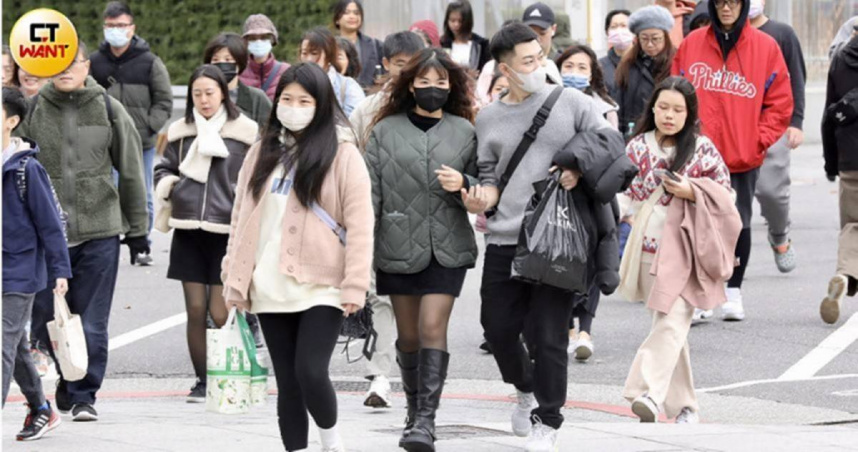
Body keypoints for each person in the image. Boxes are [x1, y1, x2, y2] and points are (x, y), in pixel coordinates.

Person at [472, 23, 623, 451]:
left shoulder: (571, 101)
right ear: (505, 69)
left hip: (559, 236)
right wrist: (479, 196)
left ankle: (548, 420)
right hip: (505, 238)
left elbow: (610, 141)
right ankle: (524, 387)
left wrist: (577, 165)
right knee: (497, 329)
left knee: (549, 334)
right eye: (528, 61)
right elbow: (489, 173)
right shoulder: (488, 117)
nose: (539, 65)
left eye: (540, 56)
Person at [221, 62, 373, 452]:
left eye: (304, 101)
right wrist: (233, 277)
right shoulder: (261, 152)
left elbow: (360, 225)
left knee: (310, 370)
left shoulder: (342, 155)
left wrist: (356, 284)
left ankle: (331, 442)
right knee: (288, 380)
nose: (294, 107)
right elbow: (241, 218)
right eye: (286, 99)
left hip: (323, 284)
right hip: (269, 283)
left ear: (321, 105)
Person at [17, 43, 149, 422]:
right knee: (47, 319)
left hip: (99, 231)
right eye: (58, 62)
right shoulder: (33, 110)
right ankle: (68, 375)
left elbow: (130, 170)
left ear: (87, 66)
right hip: (46, 237)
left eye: (73, 62)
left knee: (91, 322)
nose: (65, 69)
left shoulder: (108, 108)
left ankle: (83, 395)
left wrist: (137, 230)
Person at [365, 48, 477, 452]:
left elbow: (483, 182)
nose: (433, 88)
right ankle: (413, 412)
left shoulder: (465, 131)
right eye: (424, 81)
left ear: (452, 86)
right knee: (408, 336)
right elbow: (369, 194)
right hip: (396, 244)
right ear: (410, 85)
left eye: (441, 82)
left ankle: (426, 421)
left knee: (432, 327)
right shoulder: (384, 131)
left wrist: (464, 183)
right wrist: (358, 253)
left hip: (448, 246)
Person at [620, 76, 739, 424]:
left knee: (672, 321)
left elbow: (726, 196)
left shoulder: (702, 148)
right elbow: (624, 194)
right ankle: (686, 407)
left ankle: (646, 392)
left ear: (690, 114)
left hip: (686, 247)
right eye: (663, 107)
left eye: (677, 109)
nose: (669, 116)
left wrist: (692, 191)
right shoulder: (636, 147)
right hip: (647, 246)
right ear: (653, 108)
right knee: (669, 325)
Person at [672, 0, 793, 321]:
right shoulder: (692, 44)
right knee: (697, 223)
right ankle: (701, 294)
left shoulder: (765, 47)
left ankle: (734, 290)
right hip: (698, 154)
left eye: (734, 2)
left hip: (742, 154)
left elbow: (780, 102)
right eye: (720, 2)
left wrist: (757, 139)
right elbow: (674, 91)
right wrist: (682, 137)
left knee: (737, 222)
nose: (727, 8)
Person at [154, 65, 258, 402]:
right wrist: (173, 188)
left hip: (226, 231)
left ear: (223, 94)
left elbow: (256, 176)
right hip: (188, 229)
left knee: (221, 311)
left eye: (209, 93)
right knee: (196, 310)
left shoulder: (245, 131)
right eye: (197, 93)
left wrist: (241, 203)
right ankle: (203, 381)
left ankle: (230, 373)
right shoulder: (180, 131)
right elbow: (162, 168)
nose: (203, 100)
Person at [348, 31, 424, 411]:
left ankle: (419, 373)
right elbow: (348, 156)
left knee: (419, 300)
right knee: (379, 296)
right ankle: (379, 375)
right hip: (376, 214)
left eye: (413, 66)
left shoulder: (436, 106)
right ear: (386, 65)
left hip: (424, 216)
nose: (406, 73)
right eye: (399, 65)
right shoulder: (367, 109)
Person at [2, 87, 69, 441]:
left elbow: (50, 224)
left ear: (11, 121)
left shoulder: (27, 168)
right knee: (13, 345)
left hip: (19, 270)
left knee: (1, 342)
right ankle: (41, 408)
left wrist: (60, 270)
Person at [89, 1, 173, 267]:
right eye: (110, 26)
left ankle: (142, 244)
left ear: (132, 28)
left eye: (121, 25)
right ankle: (108, 243)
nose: (116, 30)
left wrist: (149, 127)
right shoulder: (94, 62)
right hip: (104, 142)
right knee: (108, 191)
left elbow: (164, 100)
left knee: (141, 192)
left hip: (140, 142)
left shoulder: (149, 62)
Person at [750, 0, 807, 275]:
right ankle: (729, 258)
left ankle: (779, 234)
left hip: (774, 123)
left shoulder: (782, 33)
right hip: (735, 123)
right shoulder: (722, 35)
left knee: (771, 191)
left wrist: (796, 122)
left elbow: (796, 78)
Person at [820, 25, 858, 325]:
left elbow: (828, 117)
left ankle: (844, 275)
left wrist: (832, 164)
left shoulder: (841, 59)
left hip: (850, 157)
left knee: (853, 225)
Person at [616, 5, 676, 138]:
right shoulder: (628, 65)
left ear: (666, 37)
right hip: (634, 134)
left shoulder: (677, 62)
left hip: (669, 134)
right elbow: (620, 105)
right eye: (644, 39)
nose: (649, 44)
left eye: (655, 39)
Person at [204, 32, 272, 129]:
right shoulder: (203, 96)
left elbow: (271, 131)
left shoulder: (256, 98)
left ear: (239, 63)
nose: (222, 64)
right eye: (215, 60)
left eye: (228, 59)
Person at [300, 27, 366, 117]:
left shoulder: (348, 87)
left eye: (314, 53)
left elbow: (356, 121)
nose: (308, 59)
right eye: (304, 53)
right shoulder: (294, 82)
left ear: (329, 54)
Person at [557, 45, 619, 129]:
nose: (574, 72)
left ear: (591, 75)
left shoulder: (605, 110)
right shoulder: (547, 100)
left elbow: (611, 136)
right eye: (568, 66)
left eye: (582, 68)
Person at [239, 14, 291, 102]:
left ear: (272, 40)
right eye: (253, 38)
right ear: (246, 42)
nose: (258, 42)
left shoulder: (286, 71)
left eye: (264, 37)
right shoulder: (239, 71)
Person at [333, 0, 384, 89]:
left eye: (356, 13)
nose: (352, 16)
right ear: (337, 19)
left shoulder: (375, 45)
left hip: (369, 95)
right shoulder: (330, 46)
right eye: (346, 13)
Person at [440, 1, 491, 73]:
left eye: (460, 21)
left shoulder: (481, 45)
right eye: (452, 20)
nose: (456, 24)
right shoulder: (443, 42)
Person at [522, 2, 563, 84]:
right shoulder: (515, 63)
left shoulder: (562, 62)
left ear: (553, 29)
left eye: (542, 33)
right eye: (530, 33)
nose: (537, 39)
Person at [599, 9, 632, 103]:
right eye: (614, 27)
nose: (619, 31)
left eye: (623, 26)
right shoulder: (599, 66)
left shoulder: (644, 63)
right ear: (607, 32)